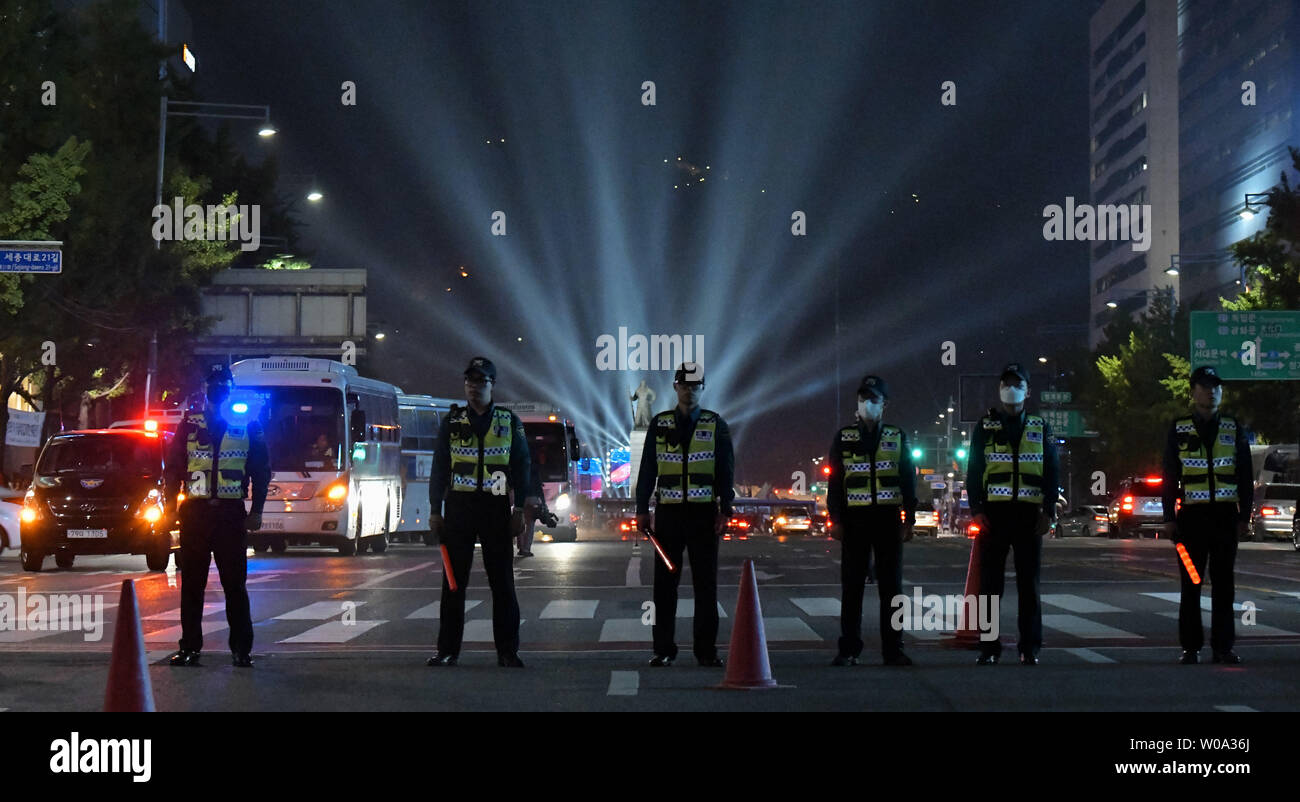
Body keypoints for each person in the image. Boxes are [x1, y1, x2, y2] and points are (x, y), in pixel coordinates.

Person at [426, 357, 531, 667]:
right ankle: (447, 650)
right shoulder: (453, 421)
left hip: (496, 508)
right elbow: (440, 469)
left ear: (492, 385)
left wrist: (520, 509)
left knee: (502, 583)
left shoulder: (509, 421)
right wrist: (435, 510)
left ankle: (508, 651)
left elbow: (522, 466)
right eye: (470, 382)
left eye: (481, 381)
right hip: (459, 508)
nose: (474, 387)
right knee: (453, 583)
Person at [165, 364, 270, 668]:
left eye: (223, 387)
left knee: (234, 585)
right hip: (195, 515)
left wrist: (257, 510)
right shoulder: (189, 424)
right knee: (192, 585)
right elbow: (173, 468)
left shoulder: (248, 424)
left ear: (229, 391)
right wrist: (171, 507)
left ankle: (241, 649)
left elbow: (261, 470)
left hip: (229, 515)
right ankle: (190, 648)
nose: (218, 392)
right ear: (206, 391)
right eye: (214, 387)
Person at [635, 362, 735, 667]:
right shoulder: (660, 424)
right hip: (668, 516)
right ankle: (663, 649)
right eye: (684, 385)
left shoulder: (716, 424)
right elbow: (648, 469)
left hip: (704, 515)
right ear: (675, 387)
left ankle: (706, 651)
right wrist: (641, 510)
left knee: (706, 586)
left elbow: (725, 471)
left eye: (695, 386)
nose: (689, 390)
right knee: (664, 586)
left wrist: (725, 509)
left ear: (702, 389)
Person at [967, 362, 1058, 666]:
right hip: (994, 515)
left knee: (1028, 585)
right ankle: (988, 647)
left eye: (1017, 383)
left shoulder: (1040, 427)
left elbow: (1052, 472)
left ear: (1028, 391)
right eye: (1006, 383)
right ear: (999, 389)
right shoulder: (985, 426)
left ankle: (1029, 647)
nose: (1011, 388)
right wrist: (976, 510)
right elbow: (975, 470)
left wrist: (1049, 512)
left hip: (1029, 516)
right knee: (990, 585)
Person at [1161, 365, 1252, 665]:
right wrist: (1169, 518)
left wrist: (1245, 516)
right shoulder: (1179, 428)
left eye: (1215, 386)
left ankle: (1223, 647)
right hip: (1190, 520)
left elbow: (1244, 474)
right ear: (1193, 392)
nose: (1210, 391)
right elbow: (1169, 476)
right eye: (1204, 386)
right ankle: (1191, 647)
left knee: (1224, 584)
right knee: (1191, 583)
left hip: (1225, 518)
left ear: (1221, 392)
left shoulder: (1232, 427)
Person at [826, 375, 917, 666]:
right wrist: (835, 519)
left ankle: (893, 649)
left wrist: (909, 519)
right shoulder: (844, 437)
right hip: (855, 521)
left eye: (873, 399)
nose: (867, 404)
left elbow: (907, 481)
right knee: (851, 587)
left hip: (887, 519)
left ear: (884, 404)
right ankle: (849, 649)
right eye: (863, 398)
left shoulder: (897, 436)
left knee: (892, 588)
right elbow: (835, 484)